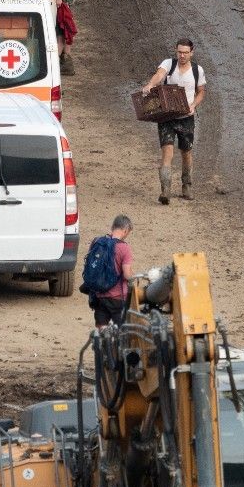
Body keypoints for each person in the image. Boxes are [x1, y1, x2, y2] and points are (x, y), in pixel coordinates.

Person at [139, 39, 208, 205]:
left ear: (192, 52)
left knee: (186, 152)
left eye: (185, 52)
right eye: (179, 52)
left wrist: (193, 105)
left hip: (186, 118)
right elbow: (159, 75)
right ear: (176, 51)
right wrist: (150, 84)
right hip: (167, 117)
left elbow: (201, 92)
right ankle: (165, 190)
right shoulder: (168, 64)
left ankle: (187, 186)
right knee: (167, 152)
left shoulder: (197, 70)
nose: (182, 55)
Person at [86, 215, 136, 328]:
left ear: (113, 227)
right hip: (117, 298)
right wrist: (134, 276)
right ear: (125, 230)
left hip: (98, 296)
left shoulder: (97, 242)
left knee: (101, 331)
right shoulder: (124, 248)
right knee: (122, 333)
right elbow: (127, 275)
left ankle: (102, 344)